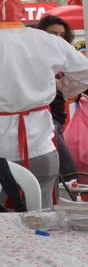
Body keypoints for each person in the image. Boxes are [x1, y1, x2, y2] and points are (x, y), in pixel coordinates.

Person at [0, 0, 88, 208]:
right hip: (42, 147)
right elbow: (84, 72)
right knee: (43, 215)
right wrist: (64, 88)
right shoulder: (49, 41)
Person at [35, 14, 78, 175]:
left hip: (56, 120)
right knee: (67, 172)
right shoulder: (37, 57)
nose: (58, 39)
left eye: (62, 35)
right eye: (53, 34)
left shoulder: (61, 58)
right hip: (45, 121)